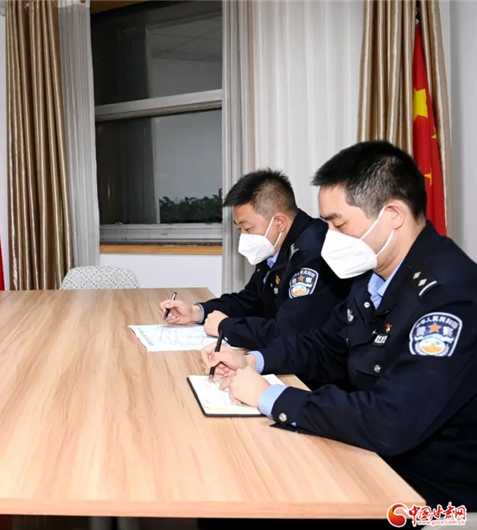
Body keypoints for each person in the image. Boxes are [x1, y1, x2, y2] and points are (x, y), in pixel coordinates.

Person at [204, 141, 477, 510]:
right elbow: (325, 345)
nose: (327, 236)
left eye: (337, 224)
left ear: (392, 214)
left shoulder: (449, 295)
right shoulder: (375, 275)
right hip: (372, 460)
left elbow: (390, 420)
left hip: (433, 499)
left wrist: (271, 398)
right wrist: (253, 360)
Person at [160, 169, 352, 350]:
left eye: (248, 228)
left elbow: (289, 331)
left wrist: (226, 327)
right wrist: (197, 312)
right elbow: (252, 300)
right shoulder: (274, 244)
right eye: (239, 229)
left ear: (279, 223)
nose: (244, 237)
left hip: (317, 365)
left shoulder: (313, 253)